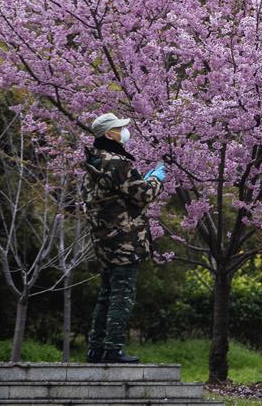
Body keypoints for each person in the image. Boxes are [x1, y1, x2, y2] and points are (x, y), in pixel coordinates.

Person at [81, 113, 165, 364]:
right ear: (109, 134)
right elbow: (143, 195)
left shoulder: (94, 163)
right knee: (122, 294)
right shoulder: (117, 163)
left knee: (106, 293)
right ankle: (113, 350)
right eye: (120, 128)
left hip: (104, 239)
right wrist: (155, 179)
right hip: (125, 240)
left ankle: (95, 349)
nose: (124, 132)